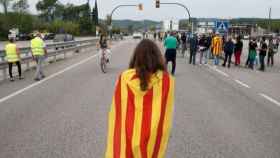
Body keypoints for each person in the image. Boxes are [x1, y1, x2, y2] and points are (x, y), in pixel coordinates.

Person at [105, 39, 175, 158]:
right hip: (152, 138)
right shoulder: (167, 81)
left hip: (128, 134)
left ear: (136, 57)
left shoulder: (125, 77)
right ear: (157, 57)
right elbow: (166, 114)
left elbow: (117, 113)